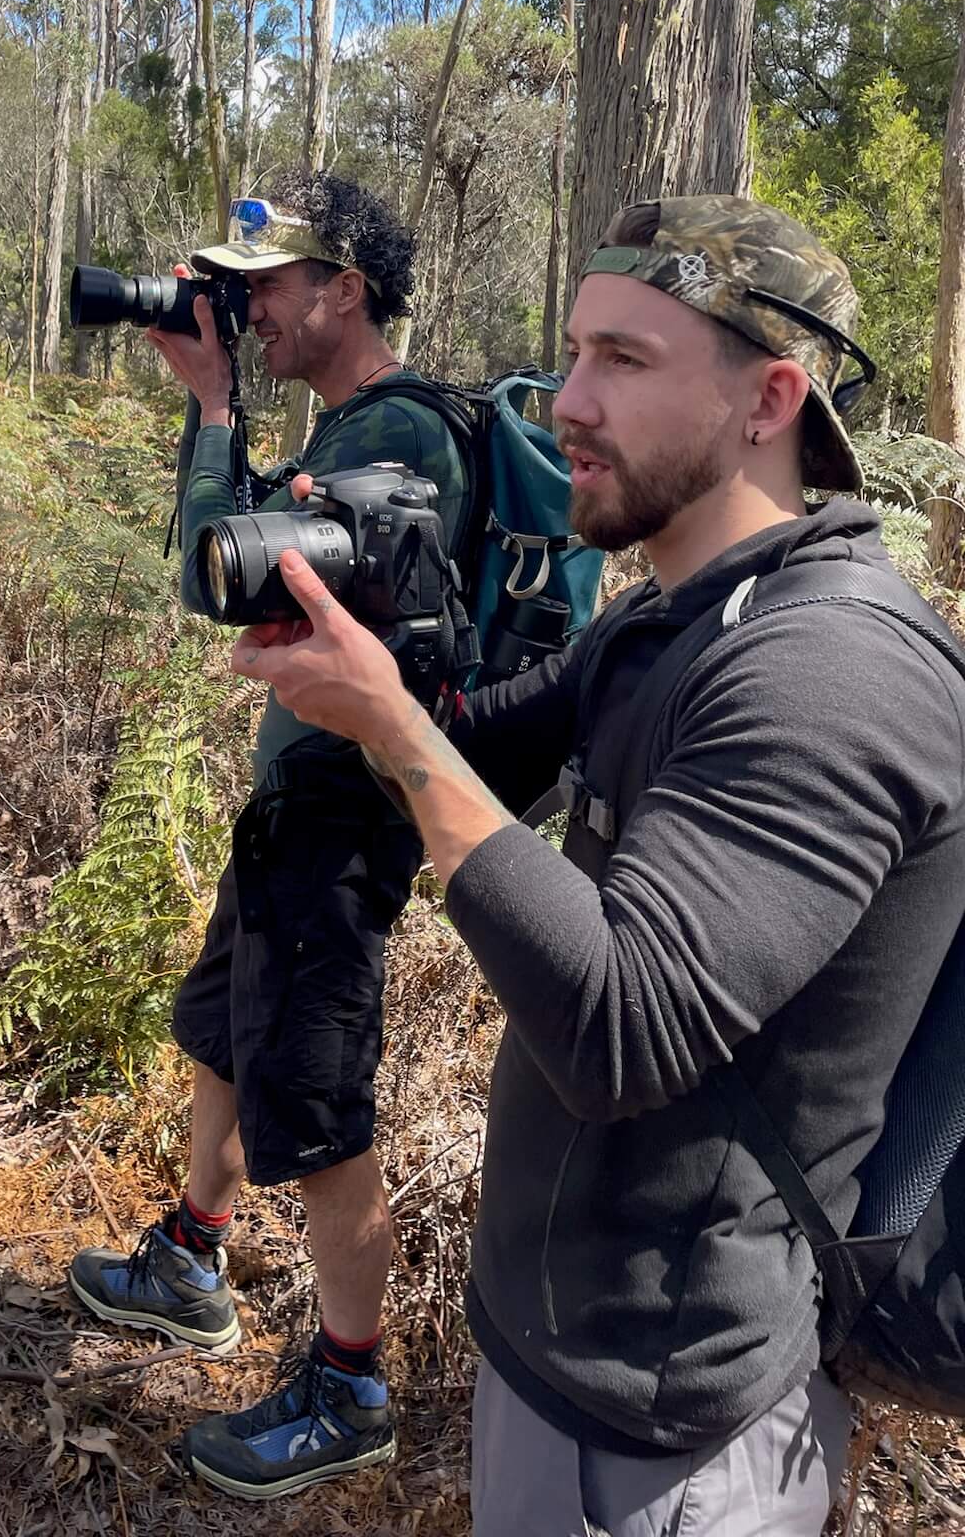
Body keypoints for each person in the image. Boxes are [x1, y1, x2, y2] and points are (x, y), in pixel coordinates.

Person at [230, 194, 965, 1536]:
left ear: (771, 401)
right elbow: (469, 759)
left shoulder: (827, 668)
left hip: (667, 1415)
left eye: (623, 362)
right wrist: (368, 611)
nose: (567, 400)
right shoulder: (672, 621)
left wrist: (391, 726)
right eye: (572, 353)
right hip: (561, 1349)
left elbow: (620, 1025)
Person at [68, 174, 470, 1499]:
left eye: (259, 287)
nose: (241, 309)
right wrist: (226, 416)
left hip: (346, 821)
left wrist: (212, 410)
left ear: (340, 289)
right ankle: (194, 1257)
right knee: (224, 1030)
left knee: (318, 1095)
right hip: (295, 803)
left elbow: (211, 571)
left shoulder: (396, 441)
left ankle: (353, 1383)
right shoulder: (349, 437)